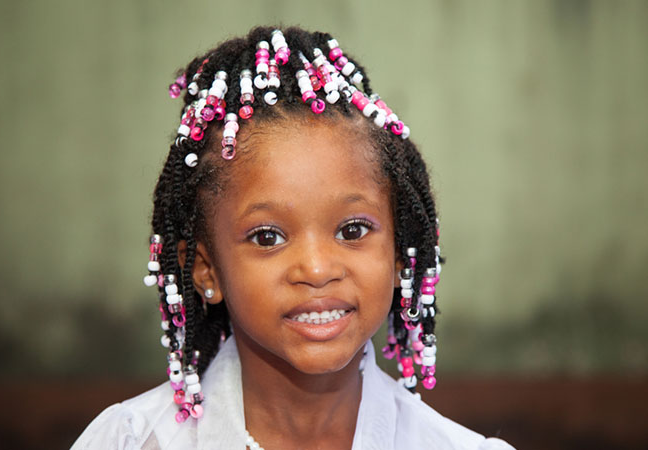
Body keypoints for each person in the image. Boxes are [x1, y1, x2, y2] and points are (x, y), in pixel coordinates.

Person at [72, 26, 515, 450]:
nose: (318, 269)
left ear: (401, 253)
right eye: (267, 237)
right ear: (206, 270)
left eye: (353, 230)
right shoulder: (133, 442)